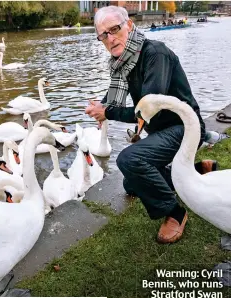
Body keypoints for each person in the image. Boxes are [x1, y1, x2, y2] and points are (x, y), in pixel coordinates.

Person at [85, 6, 215, 244]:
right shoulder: (122, 61)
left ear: (130, 26)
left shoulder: (155, 54)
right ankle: (195, 171)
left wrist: (108, 112)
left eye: (114, 29)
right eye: (103, 35)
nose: (110, 38)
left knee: (129, 160)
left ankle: (175, 212)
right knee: (131, 183)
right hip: (163, 130)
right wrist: (102, 108)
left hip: (185, 129)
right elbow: (115, 99)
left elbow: (147, 112)